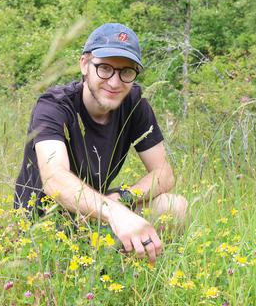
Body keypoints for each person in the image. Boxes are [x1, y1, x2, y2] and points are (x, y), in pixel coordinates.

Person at [14, 23, 187, 264]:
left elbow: (164, 173)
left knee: (174, 206)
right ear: (85, 65)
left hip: (96, 215)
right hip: (45, 225)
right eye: (104, 68)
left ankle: (134, 276)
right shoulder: (53, 106)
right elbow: (55, 179)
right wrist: (114, 212)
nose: (115, 83)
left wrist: (122, 199)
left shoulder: (135, 104)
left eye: (126, 72)